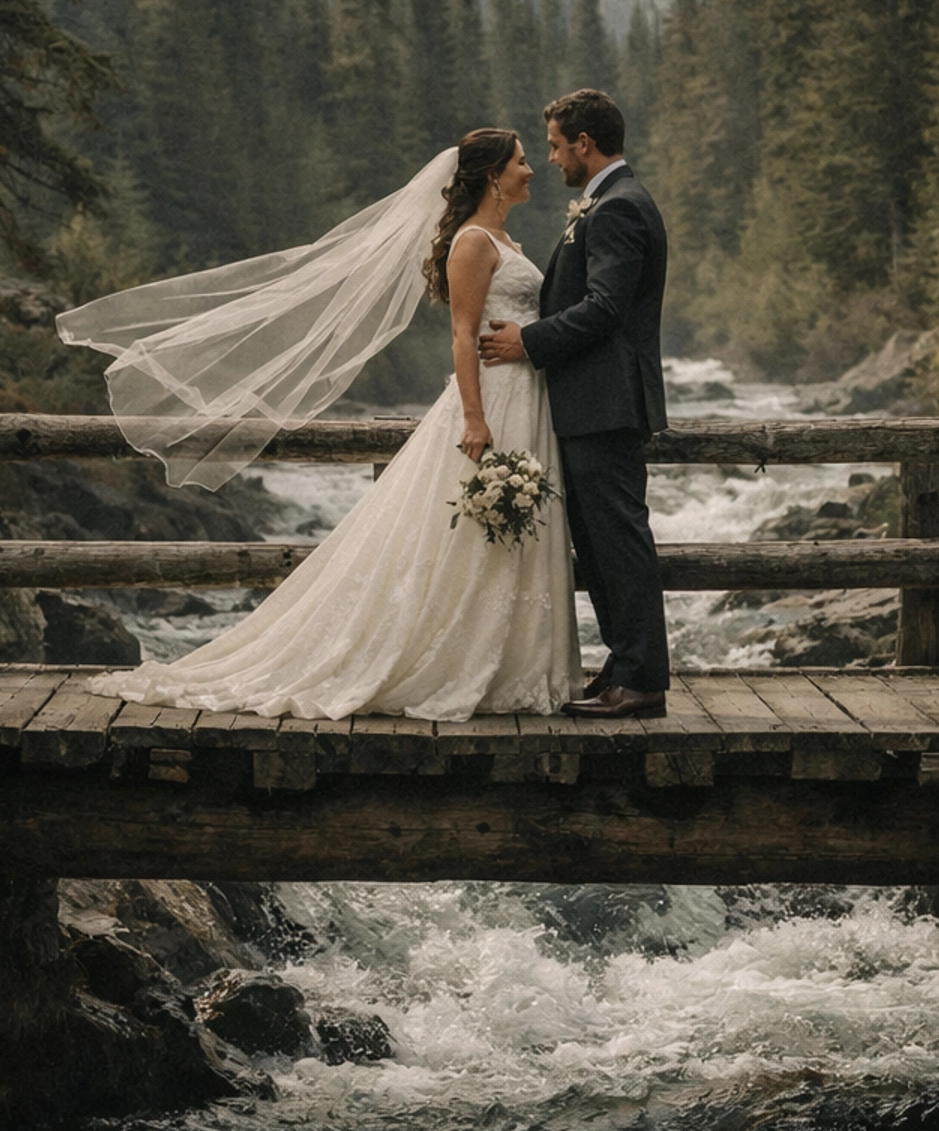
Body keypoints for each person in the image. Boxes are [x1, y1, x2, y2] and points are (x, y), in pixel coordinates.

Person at [59, 129, 581, 719]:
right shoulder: (473, 243)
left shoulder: (505, 238)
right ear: (492, 175)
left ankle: (514, 665)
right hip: (493, 401)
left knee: (510, 531)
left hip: (526, 395)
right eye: (519, 161)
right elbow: (462, 335)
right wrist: (475, 418)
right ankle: (454, 662)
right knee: (466, 532)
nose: (532, 169)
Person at [479, 86, 670, 717]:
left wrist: (528, 342)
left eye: (558, 147)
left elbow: (606, 308)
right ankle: (623, 666)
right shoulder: (610, 201)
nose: (553, 160)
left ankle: (641, 681)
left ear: (585, 144)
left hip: (605, 402)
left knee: (618, 540)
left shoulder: (616, 208)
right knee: (598, 542)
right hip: (595, 401)